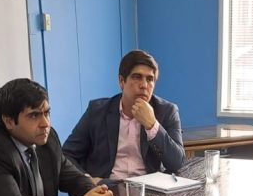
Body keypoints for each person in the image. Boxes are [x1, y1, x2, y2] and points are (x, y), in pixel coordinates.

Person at [0, 79, 114, 196]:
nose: (45, 124)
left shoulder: (48, 139)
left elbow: (72, 177)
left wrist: (97, 195)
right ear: (9, 121)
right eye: (34, 115)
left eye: (47, 113)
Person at [62, 49, 184, 180]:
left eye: (150, 79)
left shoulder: (167, 111)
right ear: (121, 81)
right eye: (137, 77)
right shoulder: (97, 111)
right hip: (106, 187)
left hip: (149, 188)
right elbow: (66, 155)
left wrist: (152, 125)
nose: (144, 85)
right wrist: (87, 180)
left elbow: (176, 162)